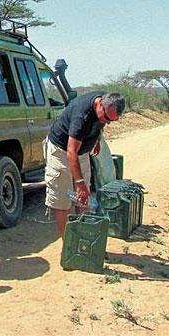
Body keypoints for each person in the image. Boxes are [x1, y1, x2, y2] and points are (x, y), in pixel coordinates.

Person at [45, 92, 126, 239]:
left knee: (84, 200)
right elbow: (71, 152)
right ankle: (68, 245)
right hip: (61, 150)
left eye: (111, 121)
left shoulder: (107, 103)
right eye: (106, 118)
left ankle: (84, 241)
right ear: (100, 104)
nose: (107, 122)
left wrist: (97, 139)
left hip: (81, 151)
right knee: (63, 199)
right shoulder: (81, 116)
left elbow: (101, 122)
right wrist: (80, 183)